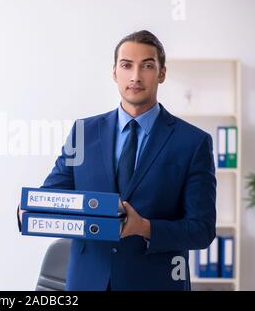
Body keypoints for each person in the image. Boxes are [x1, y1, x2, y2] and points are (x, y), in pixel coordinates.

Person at [17, 30, 216, 291]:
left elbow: (201, 230)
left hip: (155, 283)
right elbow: (53, 196)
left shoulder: (193, 142)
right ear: (114, 73)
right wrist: (28, 213)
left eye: (147, 66)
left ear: (162, 73)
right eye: (126, 65)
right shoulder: (83, 133)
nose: (135, 76)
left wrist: (144, 227)